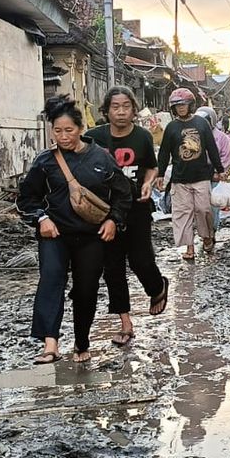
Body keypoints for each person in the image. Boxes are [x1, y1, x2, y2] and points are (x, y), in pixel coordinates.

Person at [18, 96, 132, 364]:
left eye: (69, 130)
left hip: (91, 237)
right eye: (57, 131)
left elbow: (123, 194)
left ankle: (82, 341)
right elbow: (26, 199)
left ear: (81, 129)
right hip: (55, 235)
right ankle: (50, 345)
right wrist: (41, 219)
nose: (63, 136)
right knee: (51, 281)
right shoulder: (45, 162)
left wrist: (113, 220)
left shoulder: (102, 158)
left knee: (86, 289)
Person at [86, 86, 170, 347]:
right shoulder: (93, 137)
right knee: (112, 268)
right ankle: (125, 323)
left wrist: (148, 183)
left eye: (125, 106)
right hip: (105, 212)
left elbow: (151, 167)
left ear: (134, 110)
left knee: (141, 261)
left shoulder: (143, 137)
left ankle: (157, 288)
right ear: (107, 111)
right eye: (115, 107)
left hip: (137, 207)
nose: (120, 111)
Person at [156, 88, 224, 260]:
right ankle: (189, 248)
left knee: (204, 210)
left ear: (191, 105)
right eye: (177, 106)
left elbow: (211, 148)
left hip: (202, 177)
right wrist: (160, 174)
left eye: (184, 105)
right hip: (179, 179)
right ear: (173, 108)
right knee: (183, 214)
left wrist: (220, 169)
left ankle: (207, 237)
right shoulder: (171, 128)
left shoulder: (202, 124)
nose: (181, 108)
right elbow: (164, 153)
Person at [197, 105, 230, 233]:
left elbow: (226, 157)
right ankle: (203, 234)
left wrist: (219, 173)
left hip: (214, 177)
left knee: (213, 208)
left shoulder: (221, 137)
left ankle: (212, 232)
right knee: (200, 208)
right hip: (198, 177)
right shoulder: (194, 136)